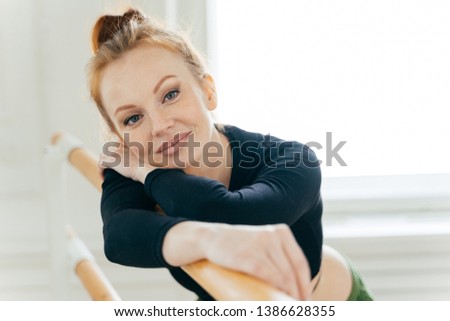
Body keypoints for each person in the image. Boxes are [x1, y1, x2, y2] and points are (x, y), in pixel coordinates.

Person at [89, 8, 373, 301]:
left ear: (208, 91)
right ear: (118, 137)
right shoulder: (131, 161)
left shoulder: (293, 159)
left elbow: (232, 216)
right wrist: (204, 239)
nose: (160, 126)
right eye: (132, 118)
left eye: (170, 95)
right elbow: (118, 238)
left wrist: (147, 174)